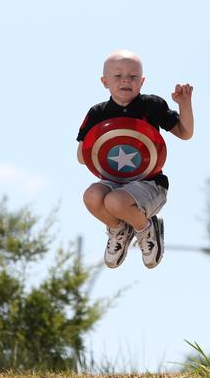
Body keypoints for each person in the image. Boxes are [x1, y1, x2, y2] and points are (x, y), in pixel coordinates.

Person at [77, 50, 194, 269]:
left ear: (142, 81)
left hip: (149, 183)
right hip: (113, 179)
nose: (126, 81)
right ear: (105, 82)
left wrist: (184, 105)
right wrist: (101, 142)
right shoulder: (97, 113)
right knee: (92, 196)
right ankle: (119, 229)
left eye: (132, 77)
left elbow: (184, 132)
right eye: (118, 76)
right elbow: (82, 157)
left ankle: (146, 228)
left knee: (115, 201)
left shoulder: (152, 105)